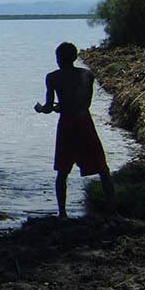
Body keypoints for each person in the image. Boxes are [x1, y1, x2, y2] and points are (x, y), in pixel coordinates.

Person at [35, 41, 117, 219]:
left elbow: (49, 107)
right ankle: (113, 211)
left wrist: (41, 108)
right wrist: (64, 106)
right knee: (102, 168)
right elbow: (86, 103)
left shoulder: (52, 77)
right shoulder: (87, 75)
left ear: (58, 59)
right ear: (75, 57)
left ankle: (62, 213)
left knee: (63, 171)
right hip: (84, 122)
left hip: (67, 125)